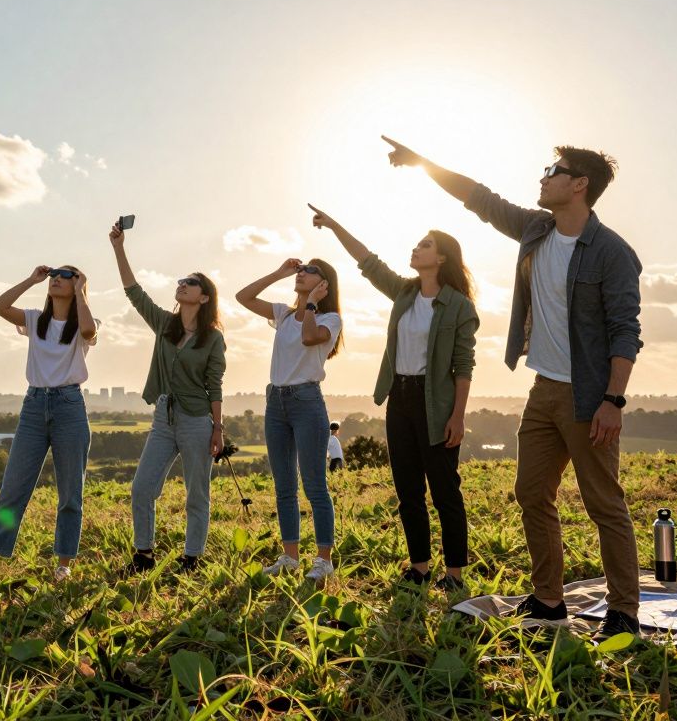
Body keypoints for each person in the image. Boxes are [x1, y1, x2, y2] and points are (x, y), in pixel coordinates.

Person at [380, 135, 644, 639]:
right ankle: (548, 600)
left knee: (603, 504)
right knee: (530, 493)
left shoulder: (611, 252)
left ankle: (624, 609)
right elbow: (479, 198)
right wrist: (421, 163)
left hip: (589, 396)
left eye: (554, 170)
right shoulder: (537, 229)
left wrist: (614, 399)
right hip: (543, 389)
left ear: (579, 185)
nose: (544, 176)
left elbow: (625, 329)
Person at [310, 204, 478, 592]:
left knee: (444, 490)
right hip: (399, 397)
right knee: (407, 490)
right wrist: (335, 224)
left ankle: (454, 574)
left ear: (442, 257)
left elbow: (464, 366)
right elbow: (368, 261)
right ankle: (420, 567)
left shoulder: (459, 306)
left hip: (435, 403)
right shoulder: (404, 291)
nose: (416, 249)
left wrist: (458, 416)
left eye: (425, 245)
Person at [109, 221, 226, 573]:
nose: (182, 285)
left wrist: (217, 429)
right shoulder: (164, 324)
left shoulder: (212, 338)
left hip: (196, 421)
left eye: (190, 283)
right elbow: (134, 292)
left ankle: (192, 558)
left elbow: (215, 385)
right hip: (164, 416)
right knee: (142, 487)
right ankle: (143, 556)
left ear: (204, 296)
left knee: (196, 494)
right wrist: (118, 248)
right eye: (180, 282)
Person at [0, 264, 98, 582]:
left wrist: (81, 291)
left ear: (78, 284)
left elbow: (89, 333)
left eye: (65, 275)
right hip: (34, 407)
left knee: (70, 492)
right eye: (53, 275)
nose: (56, 278)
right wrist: (31, 280)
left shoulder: (85, 321)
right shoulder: (35, 320)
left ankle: (63, 566)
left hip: (70, 408)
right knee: (12, 492)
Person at [235, 258, 343, 581]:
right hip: (276, 402)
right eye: (301, 269)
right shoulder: (282, 313)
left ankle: (324, 560)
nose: (302, 272)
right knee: (284, 486)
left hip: (307, 403)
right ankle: (290, 556)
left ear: (324, 284)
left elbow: (310, 338)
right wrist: (279, 274)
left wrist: (310, 304)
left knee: (314, 486)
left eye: (310, 270)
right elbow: (243, 297)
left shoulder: (330, 318)